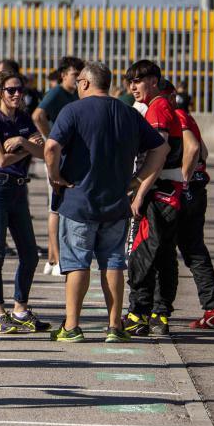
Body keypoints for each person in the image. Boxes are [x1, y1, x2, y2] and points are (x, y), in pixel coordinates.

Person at [43, 61, 167, 342]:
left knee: (77, 263)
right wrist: (138, 180)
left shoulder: (72, 111)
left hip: (79, 201)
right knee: (113, 263)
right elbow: (160, 148)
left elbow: (51, 147)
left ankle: (72, 326)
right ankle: (114, 326)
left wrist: (55, 176)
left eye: (78, 84)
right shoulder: (127, 113)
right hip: (115, 202)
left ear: (85, 83)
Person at [0, 69, 50, 334]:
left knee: (30, 254)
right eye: (11, 90)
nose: (17, 94)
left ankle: (20, 308)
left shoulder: (23, 119)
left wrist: (20, 142)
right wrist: (27, 148)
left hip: (19, 190)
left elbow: (44, 152)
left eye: (20, 89)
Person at [123, 61, 187, 336]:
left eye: (138, 80)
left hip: (158, 194)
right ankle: (160, 314)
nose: (133, 86)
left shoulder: (158, 107)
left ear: (153, 81)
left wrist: (139, 193)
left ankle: (139, 313)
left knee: (141, 254)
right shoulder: (160, 106)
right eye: (130, 81)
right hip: (169, 193)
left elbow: (157, 157)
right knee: (163, 256)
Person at [169, 90, 214, 329]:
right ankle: (212, 308)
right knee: (194, 248)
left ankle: (159, 310)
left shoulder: (176, 116)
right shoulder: (188, 117)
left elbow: (194, 149)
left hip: (186, 190)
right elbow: (205, 153)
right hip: (198, 188)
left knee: (171, 249)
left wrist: (183, 179)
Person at [33, 56, 84, 276]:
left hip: (70, 156)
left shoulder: (76, 95)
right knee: (55, 206)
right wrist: (51, 139)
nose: (78, 79)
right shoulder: (57, 93)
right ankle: (53, 259)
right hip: (57, 156)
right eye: (75, 74)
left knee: (63, 205)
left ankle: (57, 257)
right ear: (63, 75)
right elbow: (38, 115)